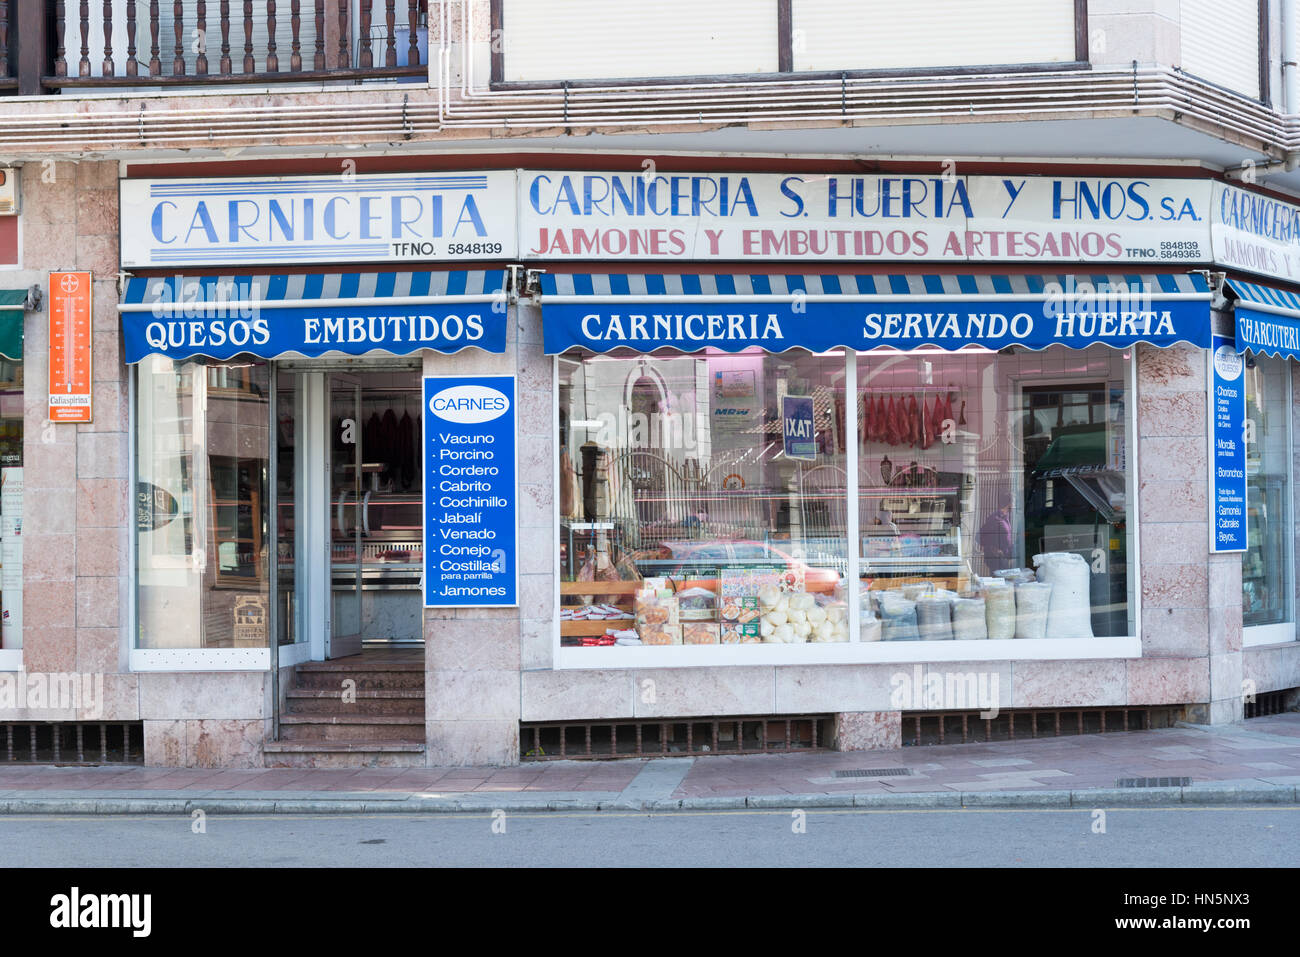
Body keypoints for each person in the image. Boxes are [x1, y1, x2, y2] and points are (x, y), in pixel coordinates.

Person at [978, 494, 1015, 573]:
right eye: (1013, 502)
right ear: (1009, 504)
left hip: (1005, 556)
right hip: (997, 558)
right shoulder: (995, 518)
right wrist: (993, 548)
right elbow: (982, 536)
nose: (1014, 505)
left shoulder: (1006, 516)